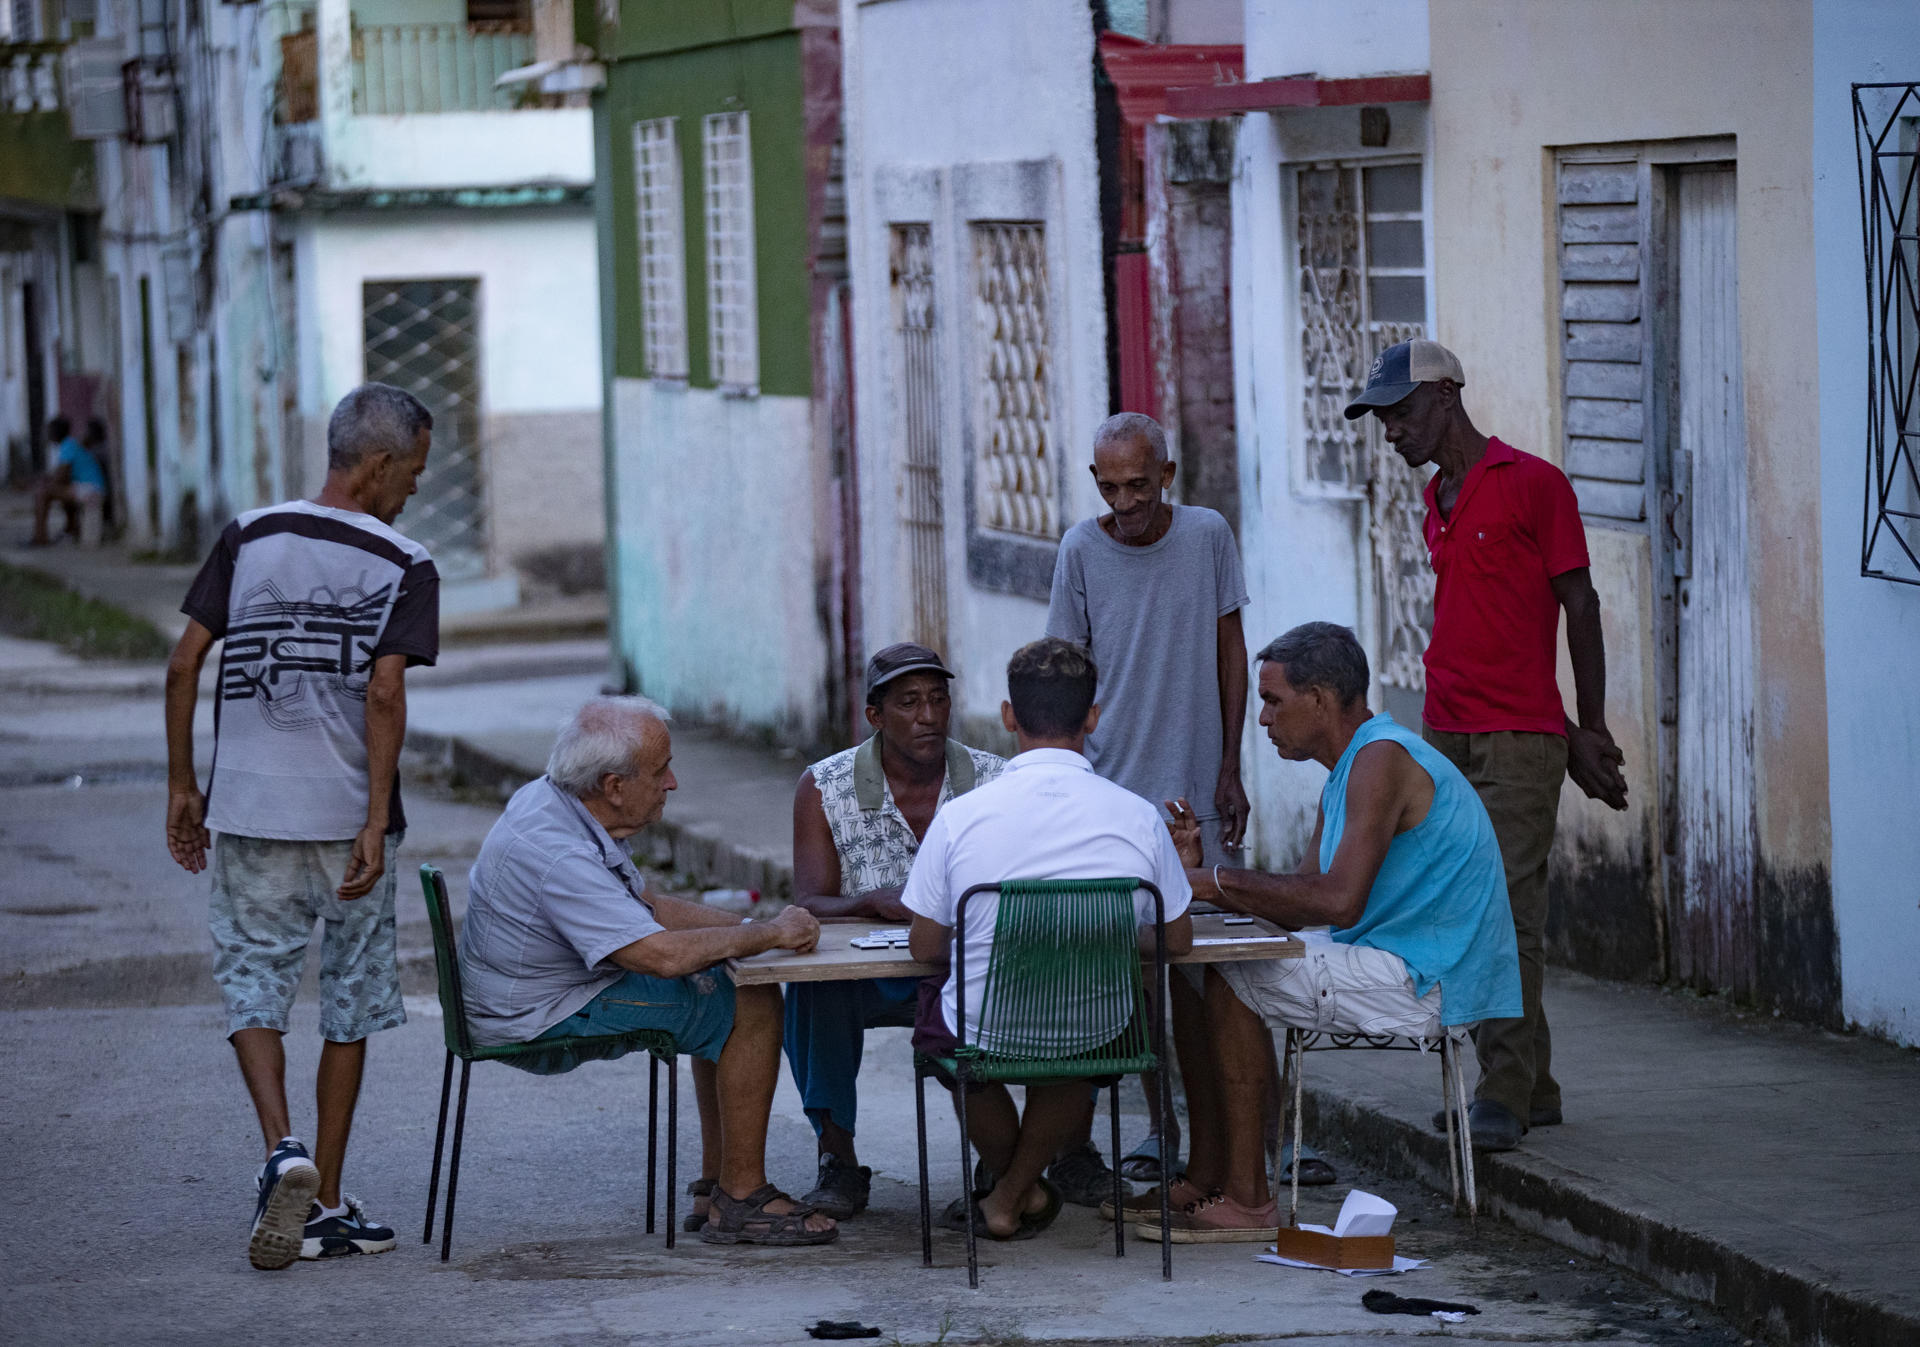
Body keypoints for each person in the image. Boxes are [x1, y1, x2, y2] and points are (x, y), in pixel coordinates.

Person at [163, 383, 439, 1270]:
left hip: (246, 805)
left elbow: (184, 663)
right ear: (381, 465)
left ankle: (283, 1146)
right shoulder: (403, 559)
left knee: (255, 985)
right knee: (348, 1006)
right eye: (415, 474)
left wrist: (183, 785)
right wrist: (370, 817)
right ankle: (321, 1200)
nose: (414, 493)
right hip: (347, 817)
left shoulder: (249, 534)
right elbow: (386, 690)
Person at [1136, 622, 1520, 1241]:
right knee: (1204, 961)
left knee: (1229, 971)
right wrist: (1202, 879)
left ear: (1319, 699)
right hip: (1393, 957)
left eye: (1272, 700)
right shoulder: (1349, 769)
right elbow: (1301, 902)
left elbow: (1337, 902)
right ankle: (1207, 1173)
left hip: (1431, 979)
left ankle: (1247, 1200)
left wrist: (1214, 884)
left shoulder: (1382, 759)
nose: (1262, 719)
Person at [1347, 339, 1629, 1151]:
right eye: (1382, 419)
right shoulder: (1438, 498)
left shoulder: (1534, 484)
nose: (1391, 432)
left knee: (1501, 910)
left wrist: (1589, 726)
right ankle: (1532, 1084)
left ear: (1445, 397)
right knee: (1468, 904)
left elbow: (1578, 605)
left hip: (1515, 743)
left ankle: (1500, 1091)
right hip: (1447, 734)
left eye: (1400, 414)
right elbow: (1491, 626)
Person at [461, 696, 838, 1247]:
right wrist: (766, 936)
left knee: (723, 976)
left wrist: (751, 926)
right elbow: (660, 955)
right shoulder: (558, 853)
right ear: (613, 786)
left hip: (526, 993)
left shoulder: (554, 802)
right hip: (533, 1015)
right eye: (661, 771)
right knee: (749, 1000)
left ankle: (719, 1185)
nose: (674, 783)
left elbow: (647, 908)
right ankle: (741, 1195)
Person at [902, 637, 1193, 1241]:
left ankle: (1012, 1193)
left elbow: (926, 948)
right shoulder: (1138, 815)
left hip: (987, 1024)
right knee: (1074, 1054)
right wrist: (1095, 939)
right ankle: (1015, 1193)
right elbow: (1178, 939)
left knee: (948, 1031)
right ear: (1092, 716)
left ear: (1010, 716)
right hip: (1098, 1025)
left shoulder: (960, 817)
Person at [1045, 410, 1269, 1192]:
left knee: (1211, 975)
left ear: (1167, 476)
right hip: (1112, 797)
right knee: (1130, 978)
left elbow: (1230, 647)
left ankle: (1241, 1146)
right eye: (1110, 487)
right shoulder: (1080, 548)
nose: (1126, 502)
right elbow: (1066, 674)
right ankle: (1163, 1128)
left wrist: (1231, 765)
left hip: (1196, 790)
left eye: (1139, 485)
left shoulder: (1207, 534)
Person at [777, 642, 1005, 1221]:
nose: (928, 715)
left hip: (964, 964)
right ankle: (838, 1157)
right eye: (908, 703)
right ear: (875, 716)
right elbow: (811, 901)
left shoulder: (993, 779)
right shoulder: (825, 786)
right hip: (870, 973)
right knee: (812, 986)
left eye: (937, 699)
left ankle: (1010, 1160)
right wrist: (869, 902)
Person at [29, 414, 107, 545]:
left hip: (91, 490)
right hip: (92, 488)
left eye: (49, 431)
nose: (47, 435)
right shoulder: (70, 445)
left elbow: (61, 476)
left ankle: (40, 537)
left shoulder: (68, 446)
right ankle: (70, 529)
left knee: (42, 493)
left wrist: (43, 484)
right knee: (53, 491)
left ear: (55, 433)